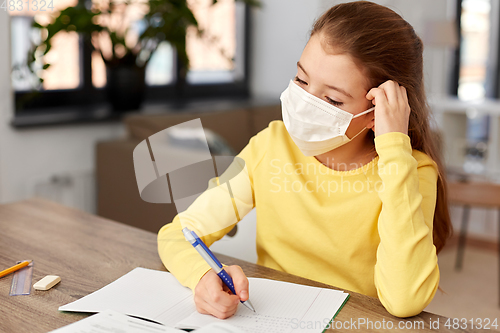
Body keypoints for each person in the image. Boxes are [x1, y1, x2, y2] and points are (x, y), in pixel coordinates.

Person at [158, 1, 452, 319]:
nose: (305, 103)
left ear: (378, 111)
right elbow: (179, 234)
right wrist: (202, 276)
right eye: (301, 79)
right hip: (268, 319)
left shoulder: (411, 171)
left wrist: (395, 150)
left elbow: (405, 299)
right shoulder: (272, 145)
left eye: (332, 99)